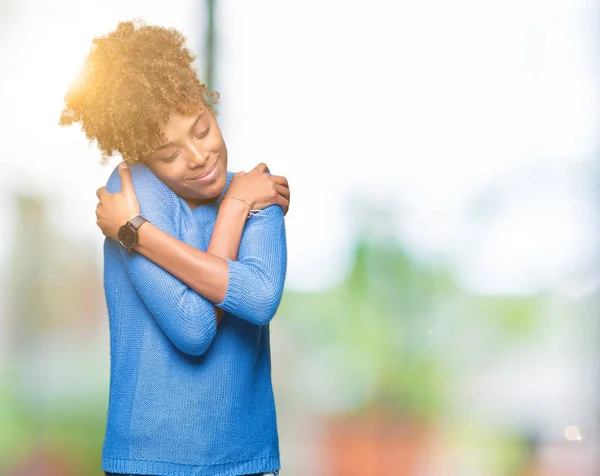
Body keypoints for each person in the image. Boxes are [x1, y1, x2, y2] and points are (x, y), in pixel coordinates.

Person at [59, 20, 289, 476]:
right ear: (142, 156)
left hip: (244, 458)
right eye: (168, 154)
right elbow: (194, 327)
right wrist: (231, 214)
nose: (198, 157)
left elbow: (260, 298)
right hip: (146, 459)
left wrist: (138, 233)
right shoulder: (131, 194)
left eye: (201, 130)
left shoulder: (253, 192)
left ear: (209, 104)